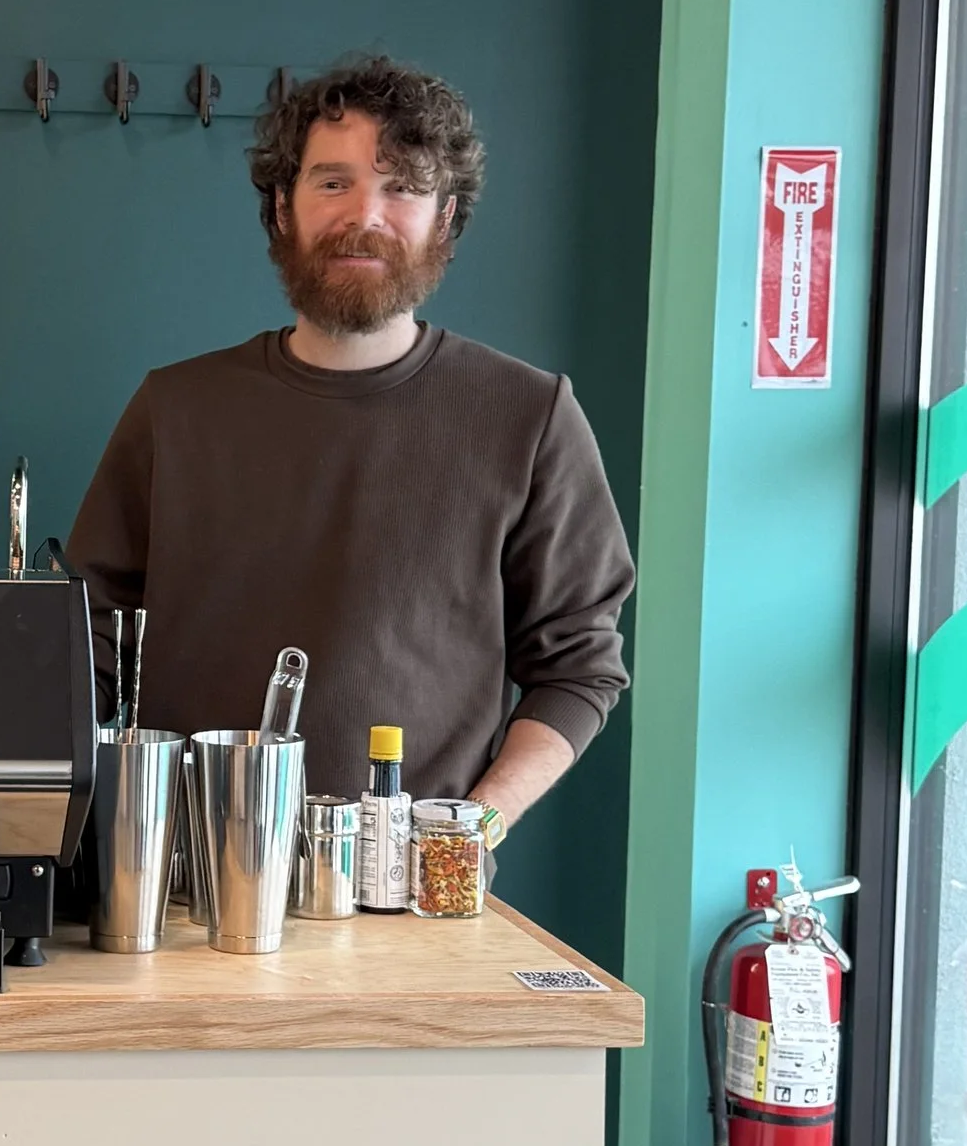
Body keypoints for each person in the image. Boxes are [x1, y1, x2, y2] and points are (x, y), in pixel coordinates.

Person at [66, 56, 632, 833]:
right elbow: (87, 645)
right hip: (177, 892)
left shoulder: (530, 417)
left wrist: (470, 829)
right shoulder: (176, 408)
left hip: (414, 902)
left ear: (447, 217)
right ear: (279, 208)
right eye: (333, 183)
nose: (365, 214)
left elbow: (578, 669)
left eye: (402, 186)